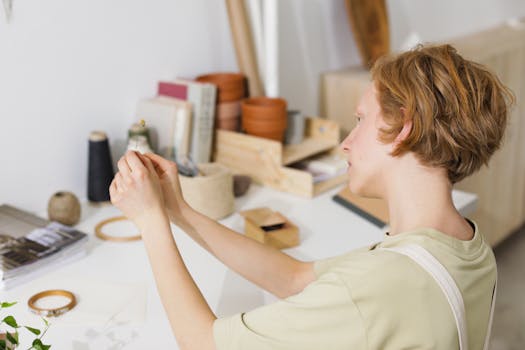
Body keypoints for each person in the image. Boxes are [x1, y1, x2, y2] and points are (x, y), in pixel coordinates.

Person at [109, 44, 514, 350]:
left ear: (403, 127)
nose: (346, 143)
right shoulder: (465, 245)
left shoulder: (381, 283)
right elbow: (294, 278)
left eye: (359, 120)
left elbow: (203, 343)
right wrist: (178, 211)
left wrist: (150, 222)